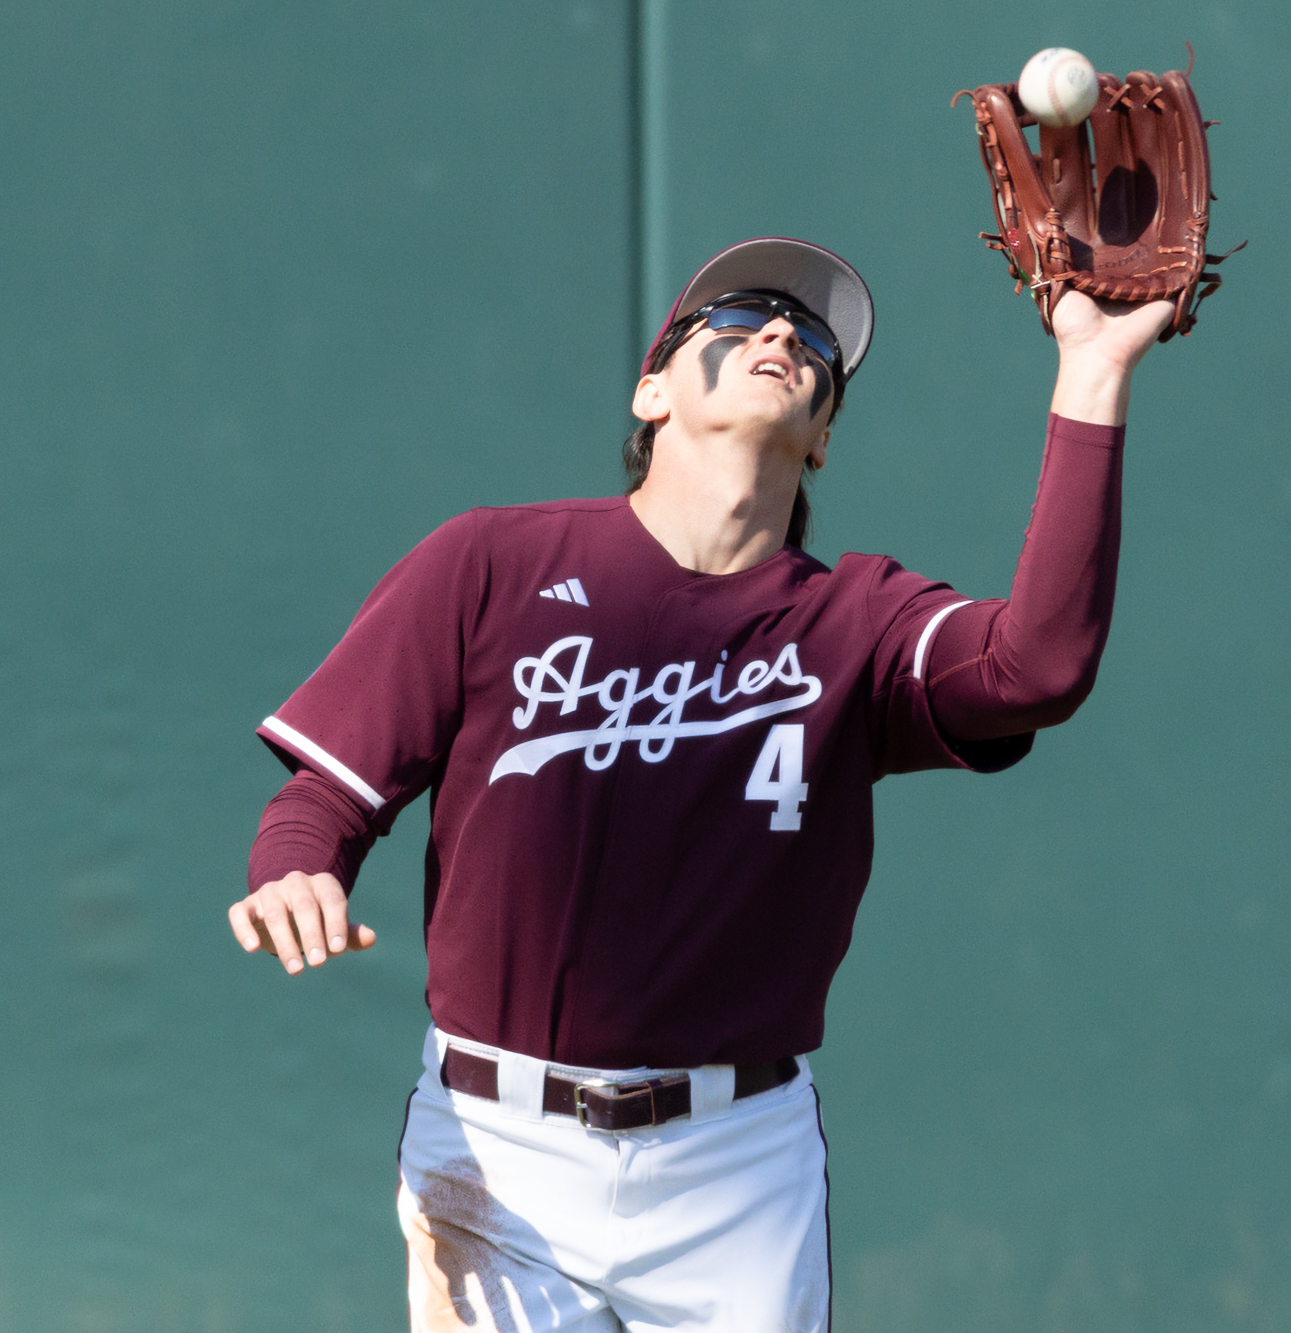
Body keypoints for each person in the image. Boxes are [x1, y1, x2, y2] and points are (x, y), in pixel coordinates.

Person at [229, 237, 1174, 1331]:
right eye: (736, 322)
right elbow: (327, 795)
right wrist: (292, 867)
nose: (780, 335)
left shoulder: (858, 620)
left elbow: (1036, 668)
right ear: (651, 389)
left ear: (821, 439)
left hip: (738, 1164)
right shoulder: (489, 564)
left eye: (812, 341)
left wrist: (1092, 373)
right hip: (500, 1153)